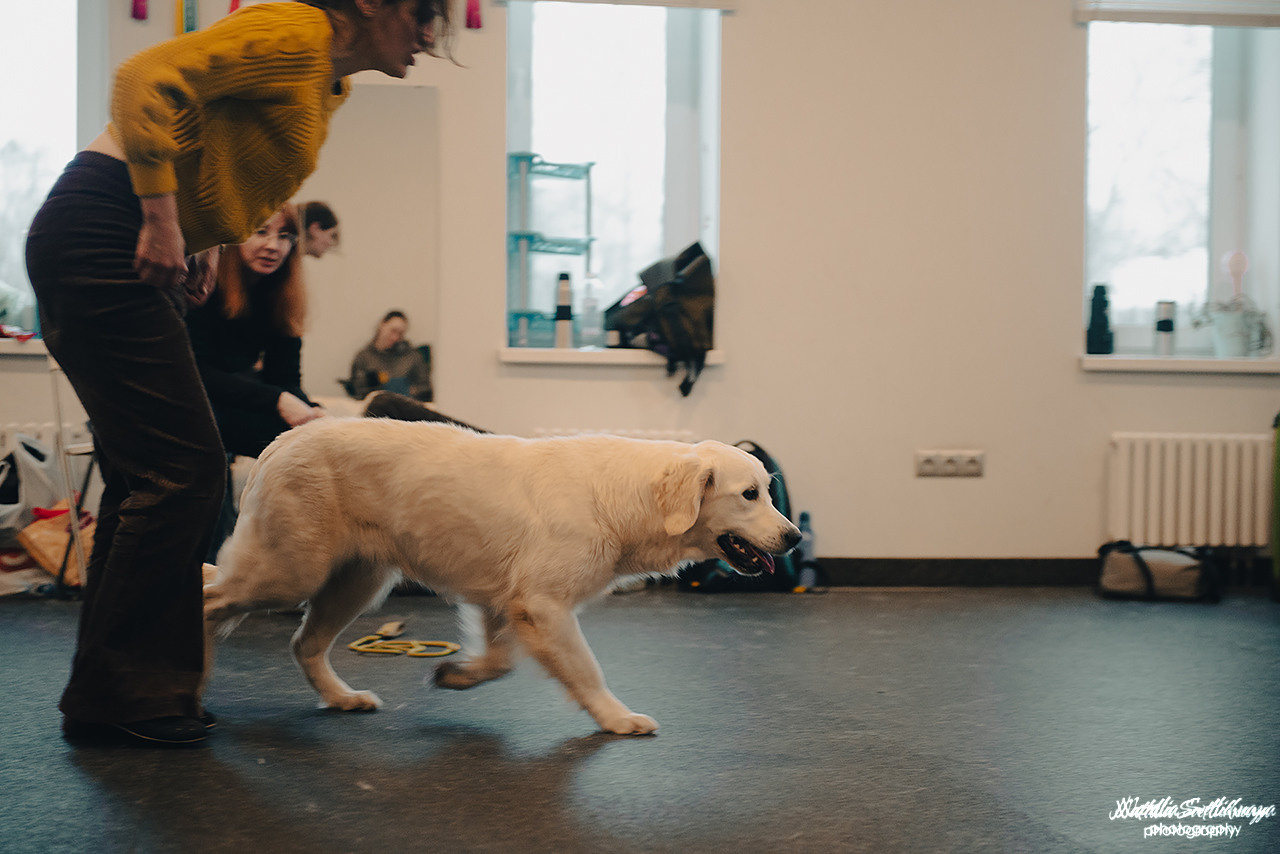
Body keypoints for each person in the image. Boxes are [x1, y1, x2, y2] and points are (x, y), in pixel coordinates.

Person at [24, 0, 454, 748]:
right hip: (103, 223)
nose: (430, 36)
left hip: (122, 225)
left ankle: (122, 692)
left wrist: (206, 241)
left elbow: (219, 157)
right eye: (422, 14)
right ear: (371, 3)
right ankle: (125, 694)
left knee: (144, 472)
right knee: (182, 467)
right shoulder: (294, 32)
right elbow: (142, 79)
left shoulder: (330, 81)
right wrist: (161, 219)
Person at [347, 309, 433, 401]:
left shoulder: (412, 357)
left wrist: (411, 391)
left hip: (404, 408)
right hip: (374, 408)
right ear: (382, 325)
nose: (395, 337)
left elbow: (426, 388)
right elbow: (356, 390)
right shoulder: (364, 357)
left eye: (400, 334)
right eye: (393, 330)